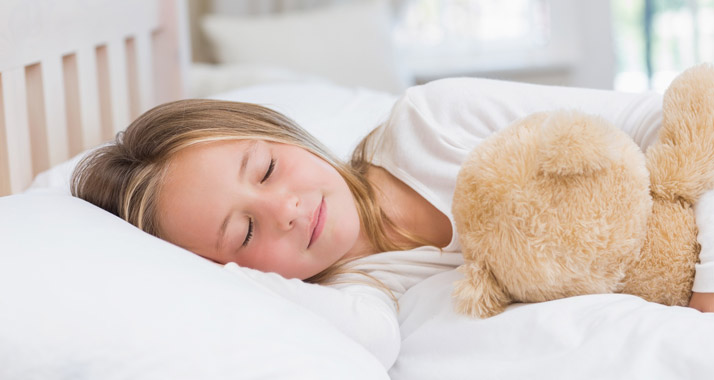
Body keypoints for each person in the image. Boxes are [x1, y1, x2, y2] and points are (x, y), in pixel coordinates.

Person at [71, 77, 714, 369]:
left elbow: (677, 120)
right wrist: (224, 280)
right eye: (244, 233)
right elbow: (373, 346)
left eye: (267, 169)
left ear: (276, 131)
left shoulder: (432, 122)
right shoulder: (358, 288)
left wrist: (704, 291)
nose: (288, 210)